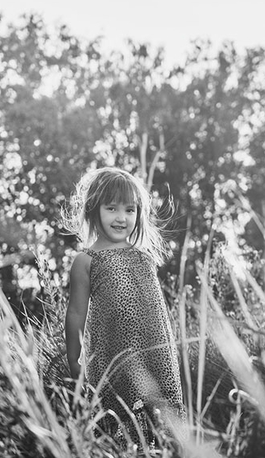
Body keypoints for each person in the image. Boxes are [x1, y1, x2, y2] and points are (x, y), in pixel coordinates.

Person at [63, 167, 185, 446]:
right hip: (113, 359)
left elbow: (157, 314)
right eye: (112, 208)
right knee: (120, 428)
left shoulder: (144, 257)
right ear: (93, 208)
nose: (122, 218)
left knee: (163, 431)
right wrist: (74, 359)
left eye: (130, 210)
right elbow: (76, 313)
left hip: (156, 356)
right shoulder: (87, 260)